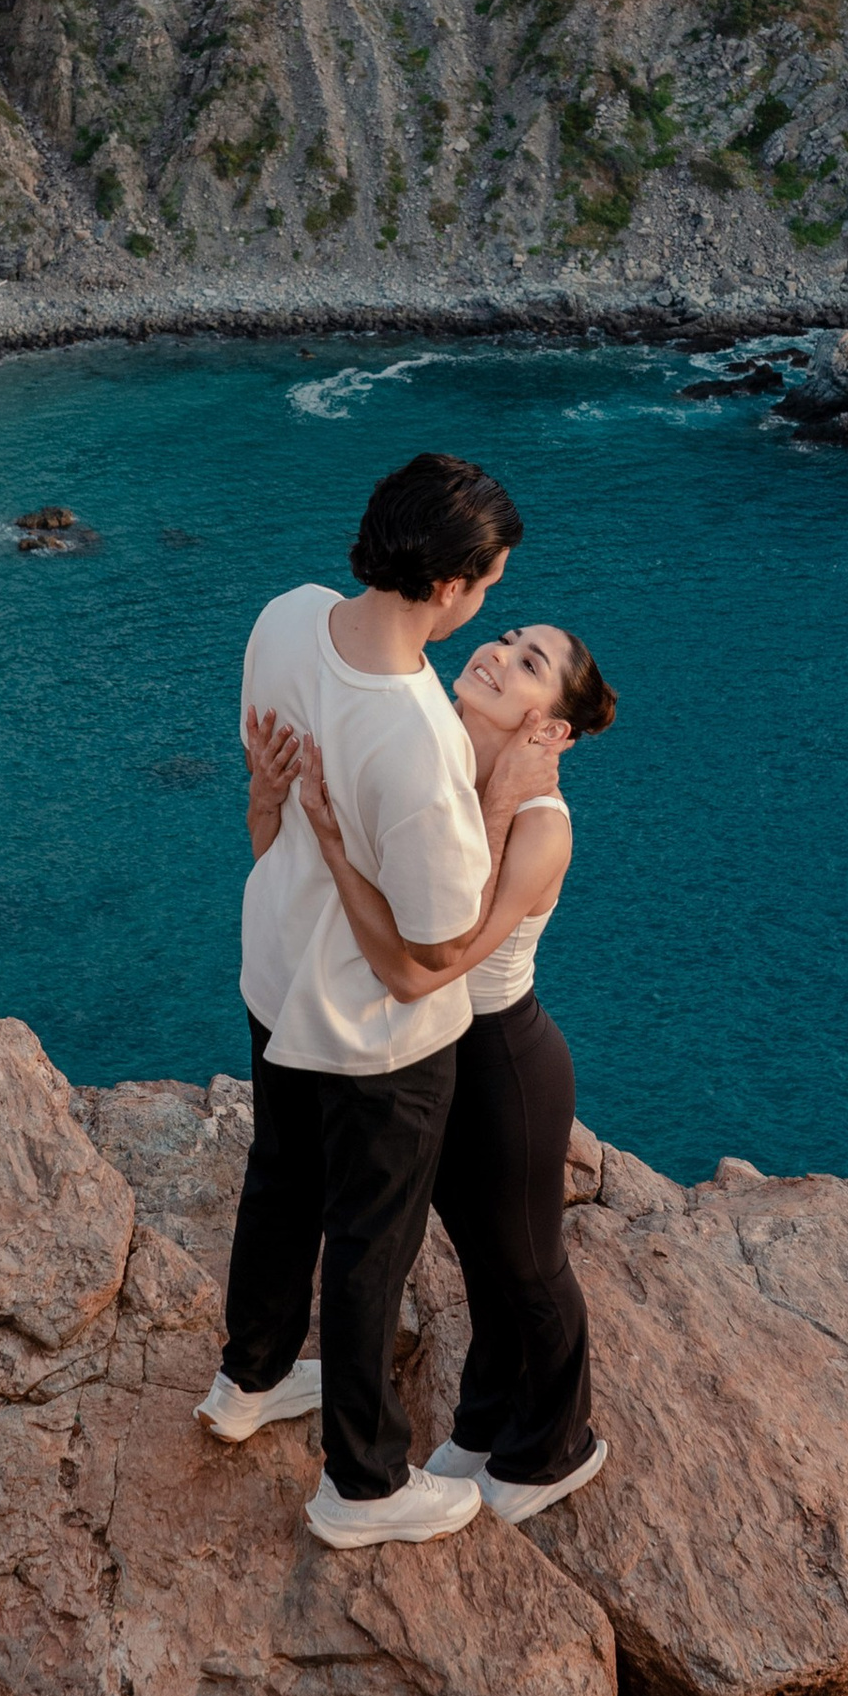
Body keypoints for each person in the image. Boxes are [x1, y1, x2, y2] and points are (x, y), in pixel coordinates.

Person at [201, 451, 550, 1548]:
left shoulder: (285, 615)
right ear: (447, 586)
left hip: (274, 972)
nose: (487, 608)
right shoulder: (419, 738)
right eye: (488, 587)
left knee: (279, 1183)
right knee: (369, 1244)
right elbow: (434, 943)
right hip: (376, 1038)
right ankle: (362, 1484)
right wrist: (507, 809)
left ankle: (248, 1381)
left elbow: (261, 771)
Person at [296, 620, 616, 1524]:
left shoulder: (541, 827)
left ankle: (558, 1445)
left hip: (506, 1065)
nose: (498, 655)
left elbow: (445, 953)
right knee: (480, 1256)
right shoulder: (444, 767)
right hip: (436, 1055)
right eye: (506, 639)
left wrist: (504, 800)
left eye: (529, 663)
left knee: (528, 1263)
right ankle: (483, 1420)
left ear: (553, 729)